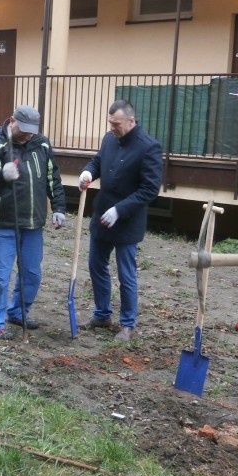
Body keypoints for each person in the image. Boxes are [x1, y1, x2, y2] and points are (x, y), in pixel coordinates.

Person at [0, 105, 66, 340]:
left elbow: (52, 178)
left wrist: (58, 208)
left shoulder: (42, 144)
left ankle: (17, 312)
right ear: (12, 121)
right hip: (3, 222)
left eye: (31, 131)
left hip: (33, 223)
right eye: (23, 130)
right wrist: (1, 175)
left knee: (32, 274)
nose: (27, 135)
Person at [78, 99, 163, 341]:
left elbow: (149, 190)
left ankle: (128, 324)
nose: (112, 128)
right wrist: (88, 172)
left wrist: (120, 210)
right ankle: (102, 315)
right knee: (96, 266)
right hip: (102, 216)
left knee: (126, 274)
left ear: (131, 121)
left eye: (116, 124)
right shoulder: (109, 139)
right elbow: (98, 161)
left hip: (126, 221)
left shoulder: (149, 147)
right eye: (110, 123)